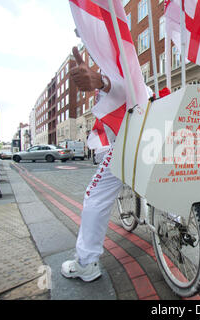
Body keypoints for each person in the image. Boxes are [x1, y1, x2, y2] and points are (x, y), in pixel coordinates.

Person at [61, 47, 123, 282]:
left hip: (127, 142)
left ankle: (86, 263)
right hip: (148, 137)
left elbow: (134, 85)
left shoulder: (118, 54)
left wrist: (101, 81)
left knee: (94, 196)